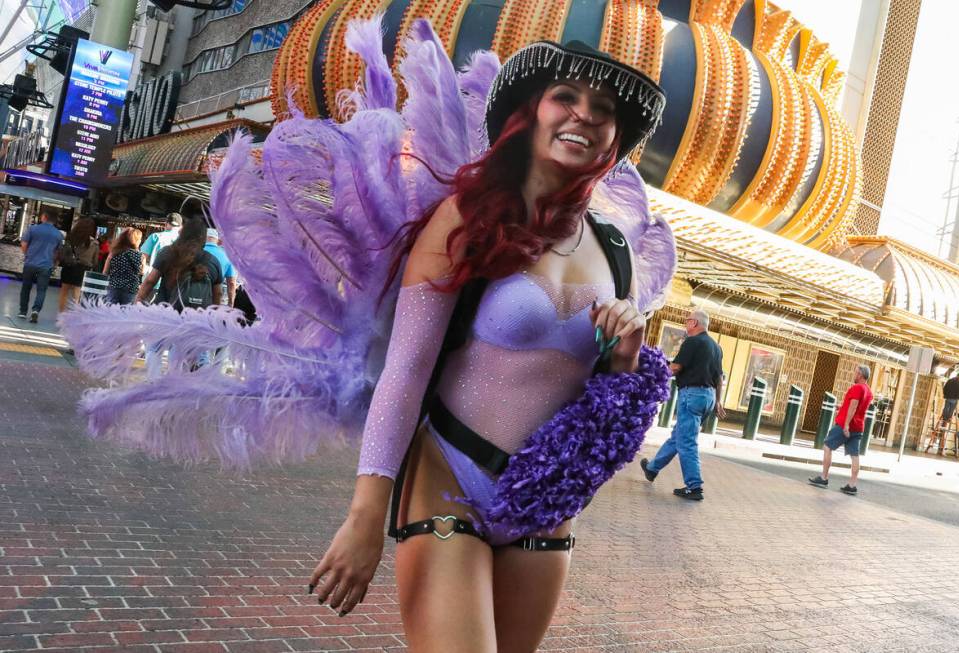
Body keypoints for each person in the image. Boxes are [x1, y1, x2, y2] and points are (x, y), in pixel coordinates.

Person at [307, 38, 669, 652]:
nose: (585, 114)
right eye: (565, 97)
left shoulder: (616, 252)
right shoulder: (463, 219)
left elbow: (606, 404)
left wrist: (628, 352)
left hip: (544, 502)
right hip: (449, 474)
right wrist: (366, 515)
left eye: (604, 109)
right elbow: (406, 373)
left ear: (615, 140)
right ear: (530, 112)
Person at [639, 308, 724, 500]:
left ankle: (694, 487)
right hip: (708, 397)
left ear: (694, 323)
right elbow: (719, 378)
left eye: (687, 320)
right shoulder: (716, 347)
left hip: (692, 396)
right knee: (678, 436)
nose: (686, 324)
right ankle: (652, 469)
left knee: (686, 442)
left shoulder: (692, 341)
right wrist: (718, 401)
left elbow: (676, 367)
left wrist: (653, 377)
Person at [809, 364, 874, 495]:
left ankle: (823, 478)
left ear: (860, 375)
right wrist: (841, 407)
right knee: (855, 456)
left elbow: (854, 406)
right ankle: (852, 485)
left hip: (845, 425)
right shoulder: (869, 391)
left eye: (855, 372)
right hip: (858, 427)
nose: (853, 375)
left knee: (827, 446)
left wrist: (846, 425)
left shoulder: (857, 387)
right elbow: (857, 408)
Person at [136, 217, 222, 310]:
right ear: (203, 238)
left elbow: (150, 281)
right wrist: (213, 314)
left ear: (183, 234)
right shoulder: (213, 261)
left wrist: (139, 300)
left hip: (166, 312)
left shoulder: (167, 253)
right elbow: (217, 293)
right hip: (197, 318)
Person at [19, 211, 64, 323]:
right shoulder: (58, 234)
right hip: (46, 265)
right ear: (54, 221)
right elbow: (58, 252)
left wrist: (28, 255)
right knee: (41, 290)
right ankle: (35, 311)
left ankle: (22, 312)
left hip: (30, 263)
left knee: (26, 288)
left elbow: (24, 244)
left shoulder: (32, 229)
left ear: (44, 217)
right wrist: (54, 265)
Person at [57, 217, 99, 312]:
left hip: (69, 266)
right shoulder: (95, 243)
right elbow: (95, 261)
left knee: (64, 291)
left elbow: (62, 252)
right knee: (77, 293)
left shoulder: (70, 238)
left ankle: (61, 314)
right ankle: (75, 315)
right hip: (83, 269)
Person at [139, 212, 183, 297]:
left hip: (152, 282)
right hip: (174, 285)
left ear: (166, 224)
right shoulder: (183, 242)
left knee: (145, 308)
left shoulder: (155, 237)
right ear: (180, 227)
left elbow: (143, 258)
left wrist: (143, 273)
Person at [103, 228, 144, 304]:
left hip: (114, 287)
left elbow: (105, 272)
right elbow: (141, 274)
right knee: (125, 314)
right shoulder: (140, 256)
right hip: (131, 289)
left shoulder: (113, 253)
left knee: (110, 312)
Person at [203, 228, 237, 306]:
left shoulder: (194, 252)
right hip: (217, 298)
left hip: (195, 297)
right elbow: (231, 283)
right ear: (217, 241)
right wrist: (231, 304)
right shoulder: (227, 256)